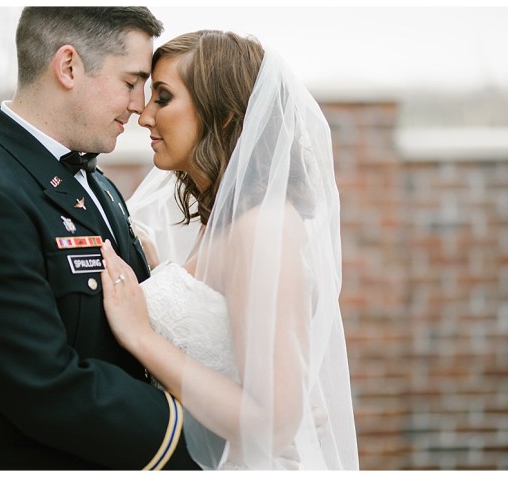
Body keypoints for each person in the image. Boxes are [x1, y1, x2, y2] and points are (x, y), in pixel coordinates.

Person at [0, 7, 199, 470]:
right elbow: (46, 387)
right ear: (68, 66)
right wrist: (214, 439)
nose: (139, 106)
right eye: (131, 82)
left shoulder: (96, 183)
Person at [99, 30, 359, 470]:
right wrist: (162, 273)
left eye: (162, 97)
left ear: (221, 115)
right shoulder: (225, 217)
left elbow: (274, 421)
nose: (143, 116)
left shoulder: (263, 228)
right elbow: (218, 328)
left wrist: (141, 334)